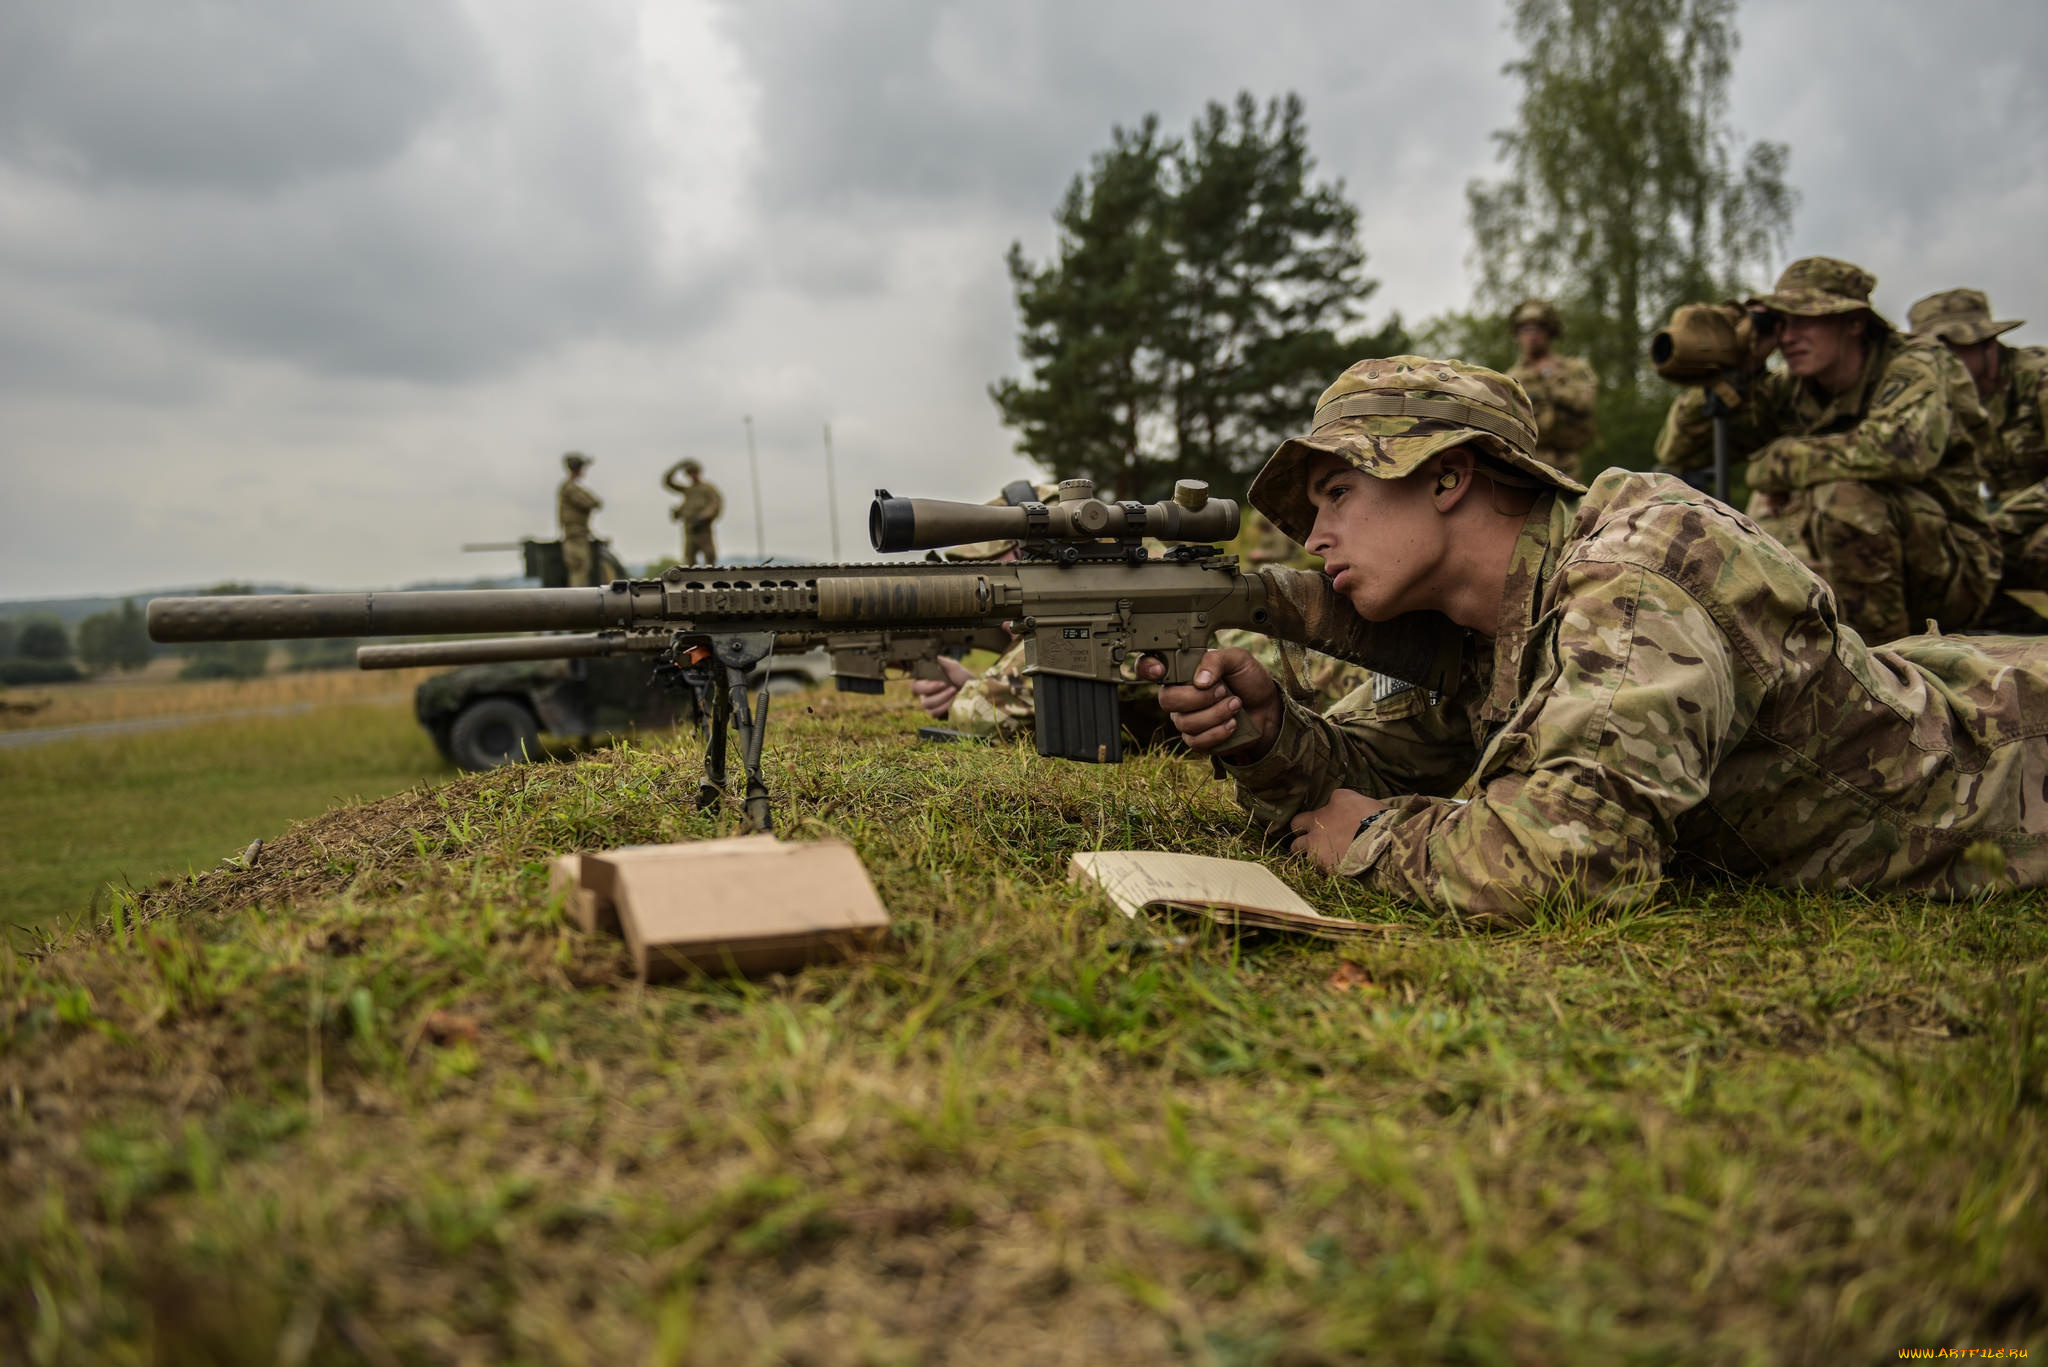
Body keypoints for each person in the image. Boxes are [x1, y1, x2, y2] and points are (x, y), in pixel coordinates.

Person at [1141, 355, 2048, 927]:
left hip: (2015, 782)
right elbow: (1400, 765)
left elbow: (1576, 861)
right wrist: (1269, 737)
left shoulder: (1636, 573)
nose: (1315, 535)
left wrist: (1377, 840)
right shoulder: (1486, 615)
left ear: (1449, 476)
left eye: (1337, 492)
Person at [1654, 256, 2000, 643]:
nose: (1787, 337)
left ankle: (1881, 662)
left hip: (1955, 569)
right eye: (1780, 323)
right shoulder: (1795, 388)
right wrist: (1739, 369)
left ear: (1854, 322)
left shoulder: (1915, 362)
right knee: (1758, 508)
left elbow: (1902, 450)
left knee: (1841, 495)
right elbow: (1681, 448)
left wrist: (1781, 459)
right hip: (1845, 562)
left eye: (1804, 320)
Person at [1908, 289, 2048, 611]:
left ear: (1987, 343)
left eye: (1951, 351)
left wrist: (1999, 523)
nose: (1942, 364)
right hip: (2008, 526)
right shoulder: (1949, 401)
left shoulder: (2039, 377)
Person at [1506, 299, 1599, 480]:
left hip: (1568, 461)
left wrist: (1552, 385)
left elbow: (1585, 402)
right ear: (1517, 335)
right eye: (1525, 329)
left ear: (1550, 331)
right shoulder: (1511, 378)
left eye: (1538, 329)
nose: (1532, 336)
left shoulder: (1574, 369)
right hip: (1527, 460)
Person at [662, 458, 724, 566]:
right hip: (690, 530)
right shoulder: (688, 490)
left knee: (710, 558)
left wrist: (702, 517)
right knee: (689, 561)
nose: (692, 475)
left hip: (703, 530)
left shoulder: (707, 488)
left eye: (694, 472)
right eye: (689, 473)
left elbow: (715, 504)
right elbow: (667, 482)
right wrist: (679, 466)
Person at [556, 452, 603, 588]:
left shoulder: (571, 487)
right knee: (579, 572)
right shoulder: (570, 488)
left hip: (578, 535)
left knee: (581, 571)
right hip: (575, 536)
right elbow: (591, 502)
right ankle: (578, 605)